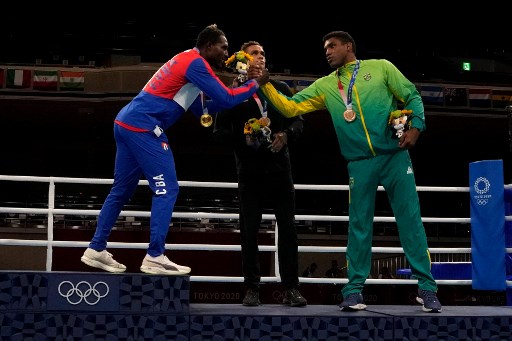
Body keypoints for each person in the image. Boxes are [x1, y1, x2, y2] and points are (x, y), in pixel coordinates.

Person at [252, 31, 442, 313]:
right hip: (359, 162)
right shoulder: (327, 85)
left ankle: (427, 289)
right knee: (359, 226)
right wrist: (266, 86)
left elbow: (411, 94)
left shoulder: (381, 67)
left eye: (332, 46)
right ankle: (353, 291)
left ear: (349, 46)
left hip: (395, 157)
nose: (327, 52)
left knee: (410, 221)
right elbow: (290, 107)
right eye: (325, 48)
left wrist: (417, 126)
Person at [80, 24, 269, 276]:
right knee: (167, 189)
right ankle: (155, 256)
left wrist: (239, 92)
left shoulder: (188, 60)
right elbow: (225, 99)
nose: (226, 53)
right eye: (223, 47)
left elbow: (203, 110)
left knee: (121, 191)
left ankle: (96, 248)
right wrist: (255, 84)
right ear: (208, 46)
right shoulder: (196, 64)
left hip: (126, 122)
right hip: (143, 127)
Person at [213, 41, 307, 307]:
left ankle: (291, 288)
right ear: (244, 59)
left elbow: (299, 120)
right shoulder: (232, 93)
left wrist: (286, 135)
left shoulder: (280, 89)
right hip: (250, 172)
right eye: (255, 53)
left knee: (288, 231)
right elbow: (218, 133)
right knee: (249, 231)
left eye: (264, 53)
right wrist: (244, 136)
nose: (261, 57)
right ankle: (252, 288)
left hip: (280, 171)